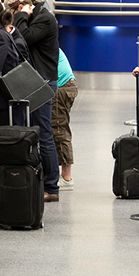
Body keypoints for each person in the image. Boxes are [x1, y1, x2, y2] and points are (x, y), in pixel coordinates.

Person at [5, 0, 61, 202]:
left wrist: (20, 17)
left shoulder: (44, 19)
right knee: (39, 131)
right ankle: (45, 181)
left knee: (44, 133)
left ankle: (52, 187)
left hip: (43, 81)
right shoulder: (38, 16)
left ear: (20, 7)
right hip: (36, 80)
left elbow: (24, 37)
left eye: (13, 12)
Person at [52, 49, 78, 190]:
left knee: (59, 129)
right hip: (65, 85)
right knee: (58, 128)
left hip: (62, 87)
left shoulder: (37, 39)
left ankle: (67, 178)